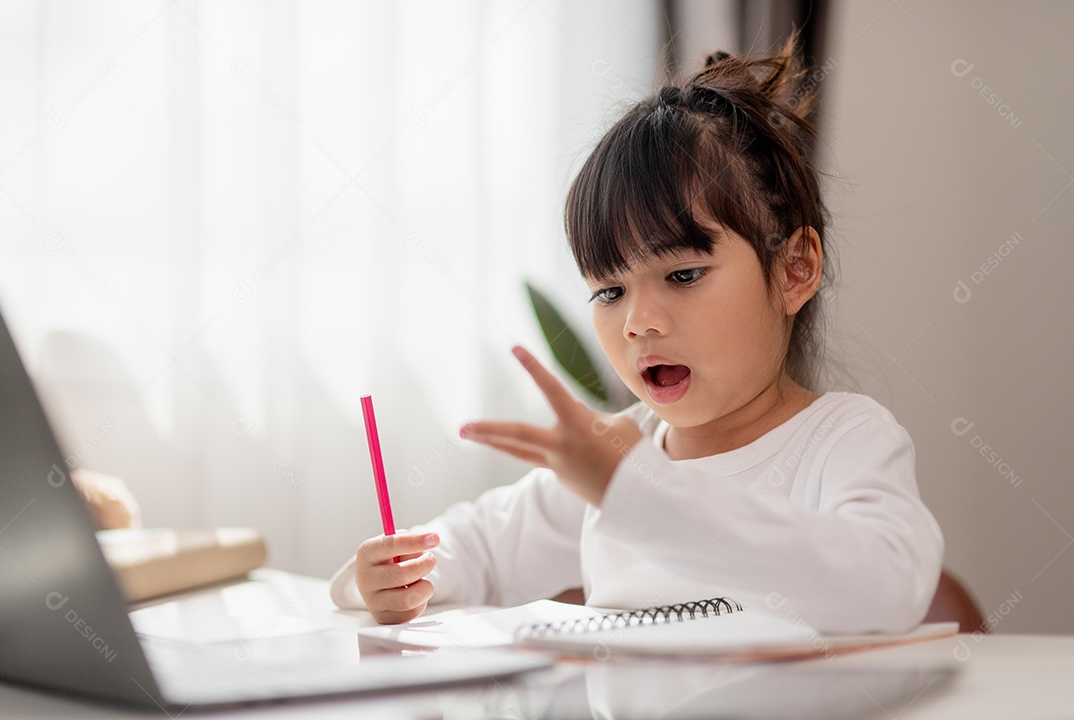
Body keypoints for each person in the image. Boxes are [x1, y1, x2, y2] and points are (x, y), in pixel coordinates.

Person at [330, 34, 944, 634]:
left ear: (794, 270)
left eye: (683, 273)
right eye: (609, 291)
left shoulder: (842, 442)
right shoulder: (617, 454)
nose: (637, 321)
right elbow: (478, 548)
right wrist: (389, 577)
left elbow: (889, 587)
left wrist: (637, 496)